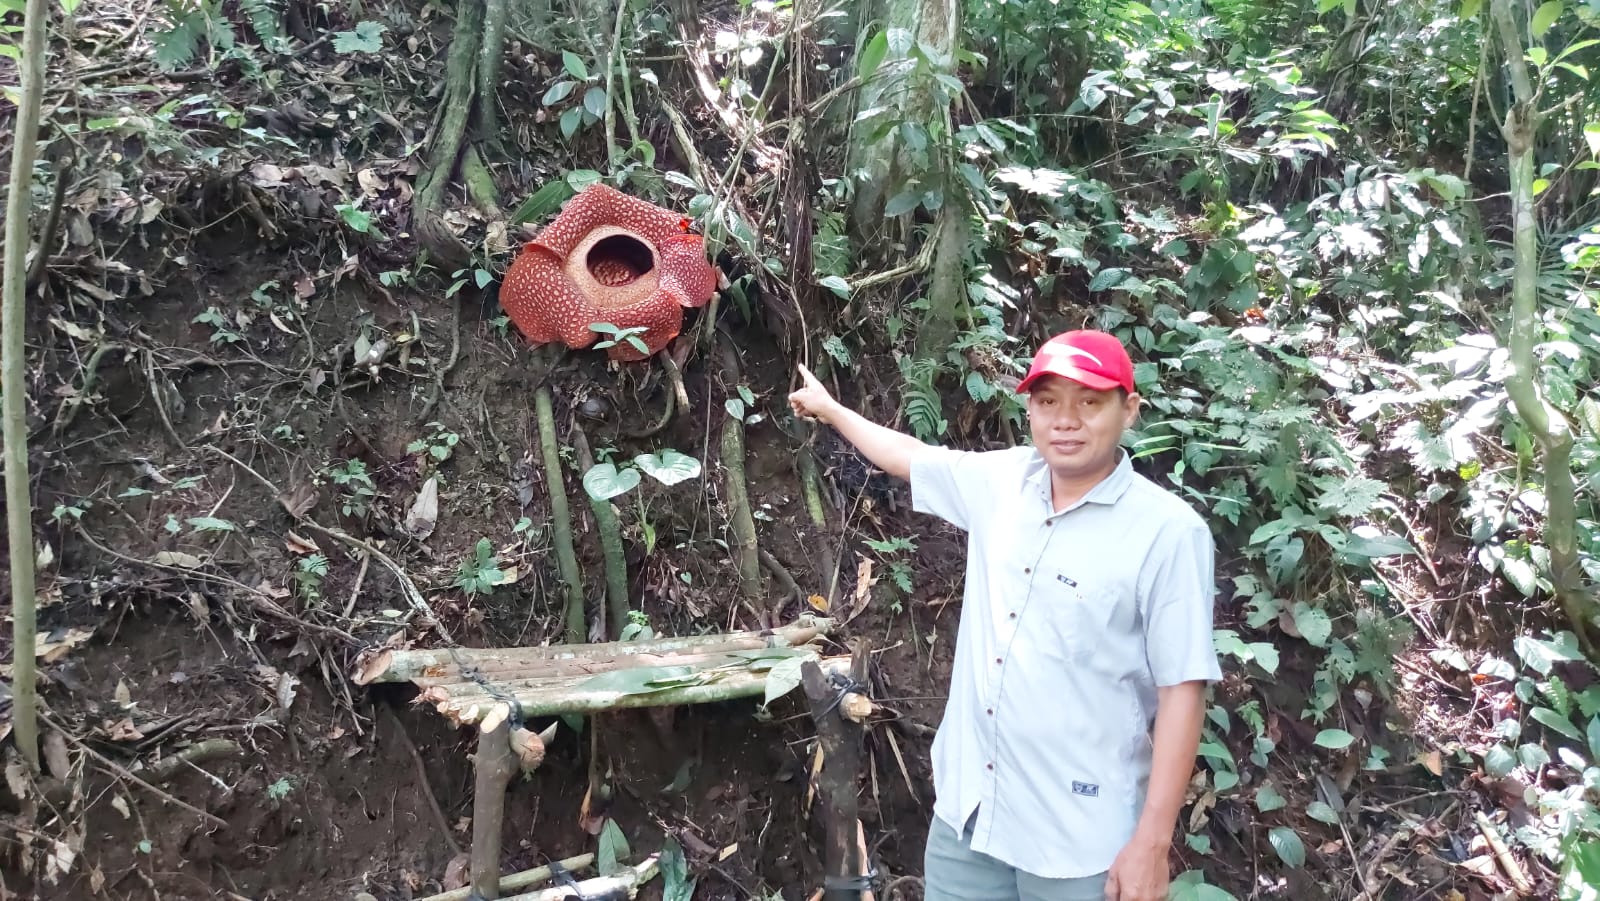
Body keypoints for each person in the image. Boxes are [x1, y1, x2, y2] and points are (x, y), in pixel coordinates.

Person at [787, 329, 1220, 901]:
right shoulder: (1004, 483)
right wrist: (831, 409)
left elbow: (1182, 687)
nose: (1066, 419)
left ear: (1129, 410)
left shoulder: (1168, 533)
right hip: (971, 816)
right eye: (1048, 402)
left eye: (1089, 402)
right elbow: (912, 458)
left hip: (1078, 842)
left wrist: (1153, 842)